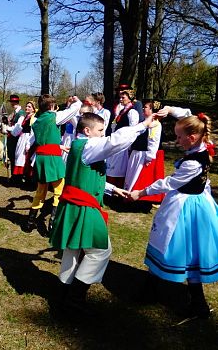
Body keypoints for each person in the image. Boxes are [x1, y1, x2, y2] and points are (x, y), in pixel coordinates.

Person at [128, 106, 218, 319]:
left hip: (185, 208)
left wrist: (142, 192)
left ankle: (192, 301)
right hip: (199, 203)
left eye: (178, 137)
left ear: (192, 138)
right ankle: (165, 292)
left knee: (170, 244)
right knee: (183, 248)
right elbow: (188, 116)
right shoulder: (204, 143)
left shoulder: (192, 163)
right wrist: (169, 110)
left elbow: (169, 183)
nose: (176, 141)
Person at [49, 112, 153, 313]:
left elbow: (84, 176)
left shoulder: (79, 146)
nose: (102, 134)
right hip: (83, 207)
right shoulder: (88, 145)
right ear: (87, 131)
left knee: (73, 249)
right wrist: (144, 125)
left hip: (73, 205)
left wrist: (113, 189)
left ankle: (63, 293)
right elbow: (115, 142)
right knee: (100, 251)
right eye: (100, 131)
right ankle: (74, 299)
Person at [23, 94, 82, 235]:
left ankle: (30, 222)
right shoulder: (54, 117)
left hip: (41, 158)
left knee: (40, 191)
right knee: (59, 190)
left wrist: (59, 147)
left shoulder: (35, 120)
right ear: (51, 106)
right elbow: (74, 110)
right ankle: (52, 225)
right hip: (52, 159)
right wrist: (76, 101)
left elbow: (44, 141)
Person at [123, 100, 165, 207]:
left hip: (143, 154)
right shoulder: (143, 122)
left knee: (140, 178)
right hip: (136, 152)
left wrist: (149, 157)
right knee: (131, 176)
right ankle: (128, 194)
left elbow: (153, 141)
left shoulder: (155, 124)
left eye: (145, 107)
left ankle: (139, 200)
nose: (143, 109)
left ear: (152, 110)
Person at [106, 90, 141, 188]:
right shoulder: (122, 111)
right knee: (113, 165)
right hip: (117, 142)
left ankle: (117, 188)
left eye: (123, 98)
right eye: (120, 98)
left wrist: (128, 144)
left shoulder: (132, 112)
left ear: (130, 99)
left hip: (124, 144)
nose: (120, 99)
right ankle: (110, 188)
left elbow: (133, 129)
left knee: (119, 167)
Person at [6, 101, 36, 182]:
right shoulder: (26, 117)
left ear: (33, 109)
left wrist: (28, 144)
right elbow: (19, 128)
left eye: (29, 107)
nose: (27, 108)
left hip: (27, 138)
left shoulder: (33, 118)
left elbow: (33, 132)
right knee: (19, 157)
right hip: (22, 137)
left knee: (24, 158)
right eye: (26, 106)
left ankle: (24, 178)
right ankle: (18, 177)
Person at [6, 94, 25, 178]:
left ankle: (16, 176)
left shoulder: (21, 113)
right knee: (11, 156)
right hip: (12, 137)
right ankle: (14, 175)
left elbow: (19, 126)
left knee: (15, 156)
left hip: (16, 137)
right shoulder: (14, 112)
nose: (13, 104)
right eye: (12, 102)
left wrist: (8, 128)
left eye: (14, 102)